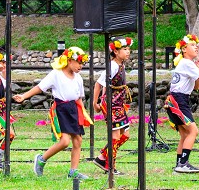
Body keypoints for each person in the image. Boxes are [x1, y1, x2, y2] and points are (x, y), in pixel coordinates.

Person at [16, 46, 92, 181]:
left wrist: (83, 114)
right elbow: (40, 87)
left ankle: (73, 171)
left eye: (82, 64)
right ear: (69, 60)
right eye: (79, 63)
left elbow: (79, 98)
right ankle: (41, 159)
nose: (81, 66)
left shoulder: (78, 78)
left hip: (74, 109)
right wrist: (24, 96)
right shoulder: (56, 74)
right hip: (61, 109)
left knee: (78, 140)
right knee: (64, 142)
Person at [164, 34, 199, 174]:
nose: (196, 47)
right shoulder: (187, 63)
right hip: (179, 100)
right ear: (183, 49)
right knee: (193, 131)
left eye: (196, 45)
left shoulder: (187, 64)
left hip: (179, 99)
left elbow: (197, 86)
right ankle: (183, 163)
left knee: (184, 134)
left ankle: (179, 163)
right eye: (192, 45)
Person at [91, 36, 133, 175]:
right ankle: (110, 166)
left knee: (125, 135)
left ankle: (102, 157)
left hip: (118, 104)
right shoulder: (113, 66)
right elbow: (99, 84)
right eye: (124, 49)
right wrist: (96, 102)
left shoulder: (120, 65)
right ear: (115, 51)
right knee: (115, 136)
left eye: (128, 49)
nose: (128, 52)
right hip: (111, 104)